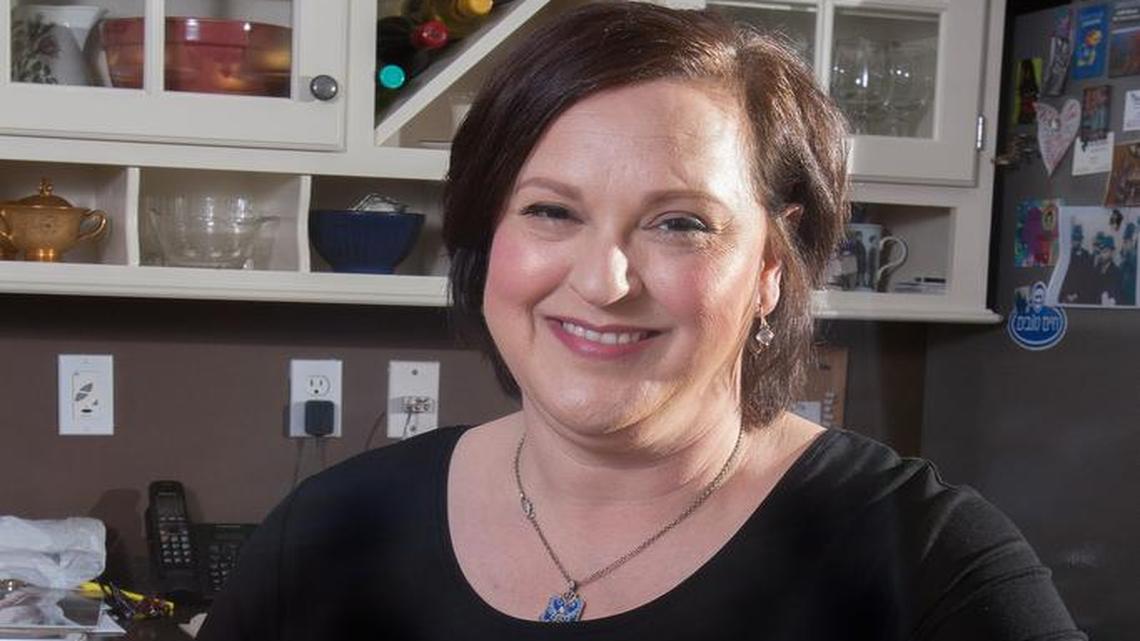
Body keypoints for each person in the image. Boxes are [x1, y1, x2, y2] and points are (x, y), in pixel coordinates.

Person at [197, 3, 1084, 639]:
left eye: (681, 223)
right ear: (486, 237)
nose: (605, 280)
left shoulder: (931, 563)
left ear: (773, 268)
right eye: (551, 211)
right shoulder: (325, 531)